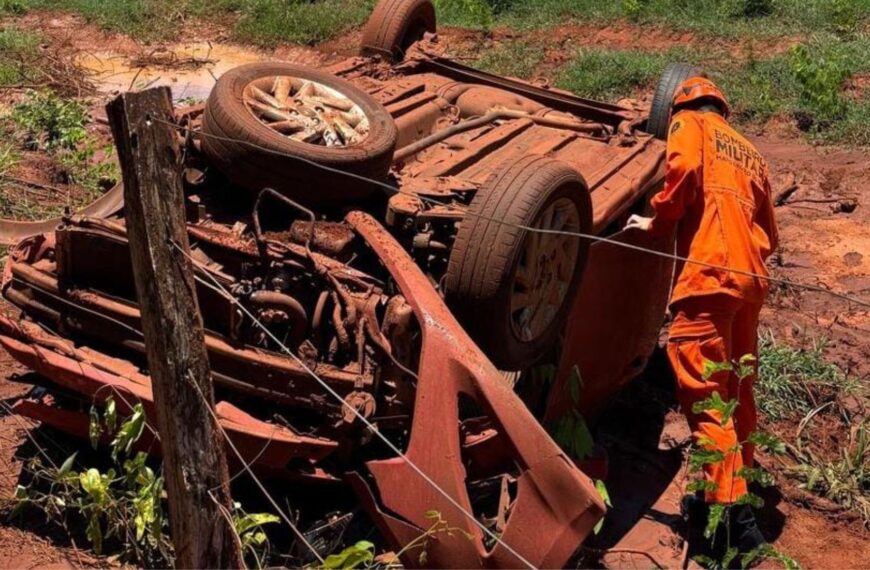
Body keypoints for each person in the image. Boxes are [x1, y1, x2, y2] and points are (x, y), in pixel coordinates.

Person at [625, 76, 778, 557]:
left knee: (705, 392)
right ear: (723, 107)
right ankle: (738, 487)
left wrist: (660, 219)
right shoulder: (749, 149)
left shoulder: (689, 124)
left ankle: (735, 524)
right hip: (748, 281)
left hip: (708, 276)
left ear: (680, 107)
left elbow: (685, 166)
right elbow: (768, 231)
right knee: (737, 389)